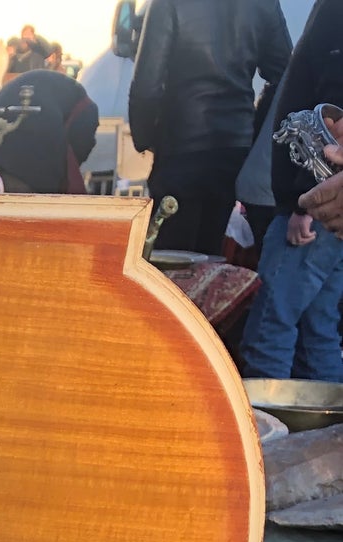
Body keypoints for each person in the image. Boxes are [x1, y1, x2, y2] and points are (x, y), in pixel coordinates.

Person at [128, 0, 291, 255]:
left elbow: (146, 86)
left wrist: (145, 138)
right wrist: (253, 131)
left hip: (179, 148)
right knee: (211, 256)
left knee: (168, 261)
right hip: (234, 147)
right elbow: (284, 75)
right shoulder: (263, 4)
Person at [241, 0, 343, 379]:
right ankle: (328, 436)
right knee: (318, 334)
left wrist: (305, 203)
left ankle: (267, 436)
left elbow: (331, 112)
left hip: (316, 204)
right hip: (326, 204)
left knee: (270, 329)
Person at [0, 66, 99, 190]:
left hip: (7, 113)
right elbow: (79, 148)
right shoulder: (86, 109)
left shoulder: (72, 98)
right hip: (36, 120)